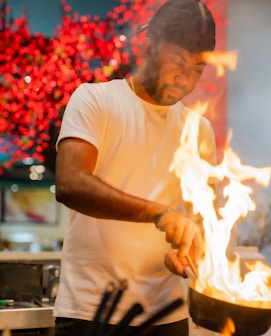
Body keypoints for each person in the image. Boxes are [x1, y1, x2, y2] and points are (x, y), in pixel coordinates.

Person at [53, 0, 217, 335]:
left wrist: (187, 253)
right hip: (91, 311)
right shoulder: (95, 100)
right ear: (147, 48)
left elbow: (201, 224)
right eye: (177, 63)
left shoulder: (199, 130)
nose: (185, 79)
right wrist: (159, 213)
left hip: (166, 317)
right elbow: (70, 183)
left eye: (197, 70)